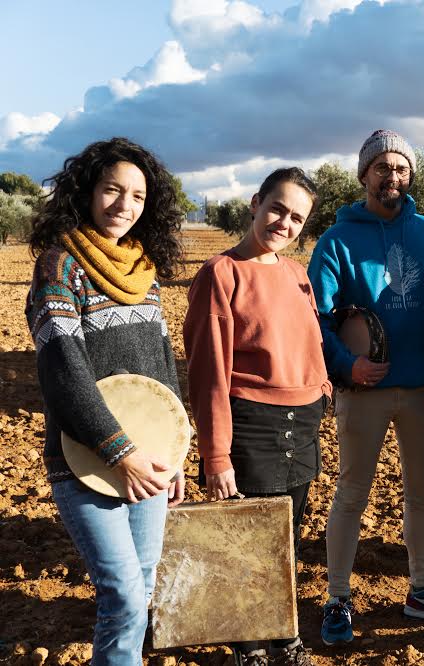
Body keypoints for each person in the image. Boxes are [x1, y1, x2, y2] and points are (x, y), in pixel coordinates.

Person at [25, 137, 186, 666]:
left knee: (141, 588)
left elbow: (162, 368)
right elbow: (63, 371)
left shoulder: (145, 273)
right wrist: (121, 452)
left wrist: (177, 449)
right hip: (86, 459)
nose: (124, 205)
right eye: (113, 189)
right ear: (87, 191)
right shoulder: (60, 266)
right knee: (122, 595)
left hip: (151, 460)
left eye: (138, 196)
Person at [308, 130, 424, 646]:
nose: (391, 177)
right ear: (363, 176)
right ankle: (337, 598)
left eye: (400, 168)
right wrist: (346, 366)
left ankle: (422, 590)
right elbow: (319, 318)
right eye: (381, 168)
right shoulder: (336, 241)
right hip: (365, 392)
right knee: (353, 493)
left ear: (410, 176)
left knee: (422, 495)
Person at [183, 167, 331, 665]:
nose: (284, 223)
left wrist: (322, 390)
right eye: (277, 209)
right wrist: (216, 455)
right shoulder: (220, 274)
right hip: (251, 428)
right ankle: (250, 648)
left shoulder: (295, 273)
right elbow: (208, 374)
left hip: (301, 426)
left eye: (296, 218)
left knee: (285, 542)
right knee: (247, 546)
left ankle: (284, 636)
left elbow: (310, 342)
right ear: (254, 203)